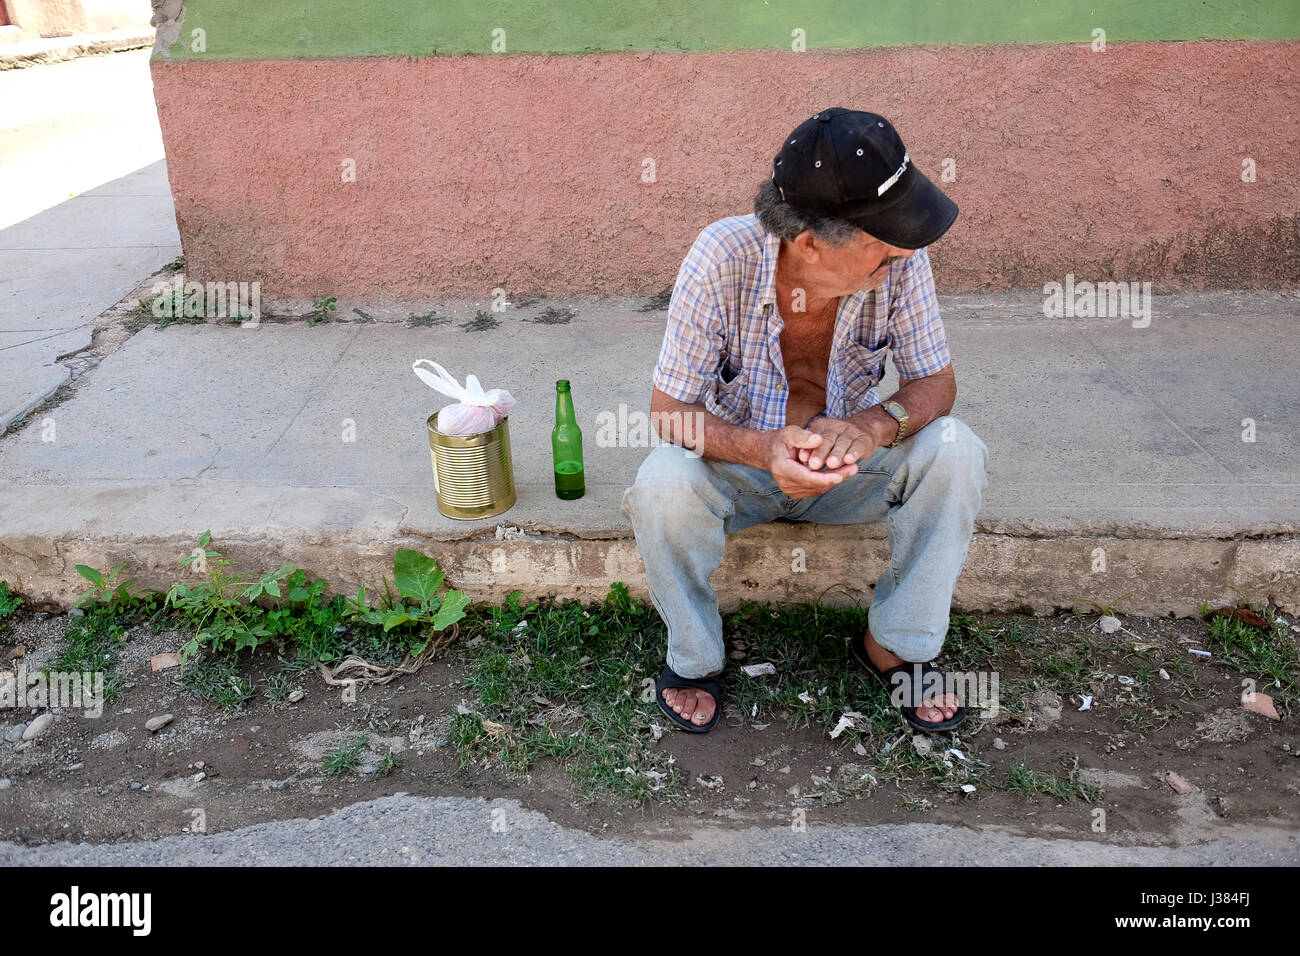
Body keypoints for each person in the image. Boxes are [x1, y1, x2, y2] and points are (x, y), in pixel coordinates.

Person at [620, 108, 988, 734]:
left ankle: (894, 646)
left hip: (853, 471)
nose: (902, 250)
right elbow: (670, 413)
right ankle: (697, 659)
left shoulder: (899, 262)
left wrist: (875, 424)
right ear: (811, 242)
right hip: (740, 471)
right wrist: (762, 449)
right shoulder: (721, 256)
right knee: (661, 485)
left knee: (956, 450)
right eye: (882, 239)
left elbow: (937, 383)